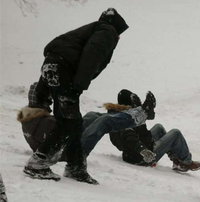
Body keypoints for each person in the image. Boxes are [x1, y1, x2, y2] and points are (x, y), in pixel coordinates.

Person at [23, 8, 129, 184]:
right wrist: (78, 85)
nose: (119, 37)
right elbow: (92, 55)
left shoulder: (90, 30)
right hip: (65, 72)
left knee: (73, 122)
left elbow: (54, 53)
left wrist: (44, 88)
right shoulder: (107, 31)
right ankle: (38, 163)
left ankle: (76, 167)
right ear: (116, 26)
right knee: (69, 121)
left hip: (54, 68)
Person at [107, 90, 200, 171]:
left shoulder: (118, 115)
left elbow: (125, 141)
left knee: (159, 127)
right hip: (143, 157)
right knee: (175, 133)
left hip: (133, 152)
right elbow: (131, 138)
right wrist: (143, 150)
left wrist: (143, 114)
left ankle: (176, 159)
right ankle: (186, 163)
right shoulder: (125, 120)